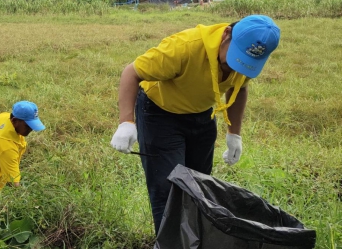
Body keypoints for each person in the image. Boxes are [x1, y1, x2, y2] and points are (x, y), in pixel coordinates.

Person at [109, 15, 281, 234]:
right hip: (161, 114)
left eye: (245, 64)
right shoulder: (184, 47)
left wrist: (234, 134)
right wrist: (126, 122)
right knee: (168, 190)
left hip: (202, 115)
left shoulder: (243, 61)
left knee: (198, 187)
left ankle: (193, 245)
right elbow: (131, 73)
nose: (234, 68)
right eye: (232, 59)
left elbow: (239, 88)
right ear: (226, 34)